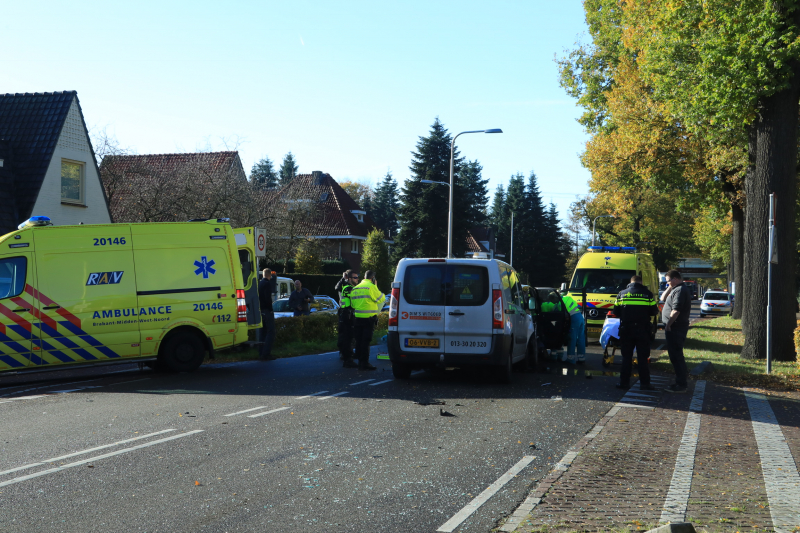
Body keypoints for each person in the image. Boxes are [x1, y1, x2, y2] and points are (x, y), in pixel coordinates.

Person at [613, 275, 658, 390]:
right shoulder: (647, 294)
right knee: (642, 358)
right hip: (643, 330)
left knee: (626, 357)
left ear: (630, 282)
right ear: (641, 282)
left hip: (626, 330)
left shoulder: (621, 294)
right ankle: (645, 384)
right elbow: (654, 311)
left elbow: (616, 312)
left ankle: (624, 383)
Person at [661, 269, 692, 393]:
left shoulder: (680, 291)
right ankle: (680, 381)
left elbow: (676, 310)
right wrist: (669, 287)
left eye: (669, 281)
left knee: (676, 355)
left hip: (676, 327)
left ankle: (681, 384)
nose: (667, 283)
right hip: (675, 326)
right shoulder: (675, 289)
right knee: (674, 355)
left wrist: (669, 324)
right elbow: (662, 298)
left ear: (675, 279)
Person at [350, 270, 385, 371]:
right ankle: (364, 363)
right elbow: (381, 299)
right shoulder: (371, 287)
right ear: (373, 278)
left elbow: (353, 305)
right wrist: (376, 287)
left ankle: (360, 361)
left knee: (359, 341)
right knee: (366, 342)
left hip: (357, 319)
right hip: (368, 319)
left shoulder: (355, 288)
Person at [338, 270, 359, 367]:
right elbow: (356, 301)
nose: (357, 279)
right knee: (348, 338)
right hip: (347, 316)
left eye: (357, 277)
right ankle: (347, 360)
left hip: (348, 315)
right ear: (350, 279)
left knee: (350, 337)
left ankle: (348, 356)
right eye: (355, 277)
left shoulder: (350, 288)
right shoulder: (348, 288)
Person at [560, 291, 586, 364]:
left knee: (572, 338)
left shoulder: (559, 303)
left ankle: (570, 359)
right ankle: (581, 358)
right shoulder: (568, 297)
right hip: (580, 317)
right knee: (581, 338)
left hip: (574, 319)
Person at [258, 269, 276, 361]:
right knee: (271, 332)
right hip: (266, 310)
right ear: (269, 275)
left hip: (260, 310)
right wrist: (271, 309)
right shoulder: (267, 284)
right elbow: (267, 298)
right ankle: (266, 353)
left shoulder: (260, 284)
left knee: (262, 332)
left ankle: (261, 352)